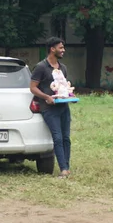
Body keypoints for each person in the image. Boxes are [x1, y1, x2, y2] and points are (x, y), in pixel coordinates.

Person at [30, 37, 72, 179]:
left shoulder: (63, 68)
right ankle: (63, 169)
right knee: (58, 138)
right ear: (52, 49)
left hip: (64, 107)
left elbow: (63, 88)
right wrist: (47, 97)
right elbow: (33, 88)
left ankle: (66, 167)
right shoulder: (41, 67)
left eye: (63, 47)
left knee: (66, 138)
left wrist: (69, 95)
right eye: (60, 48)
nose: (63, 50)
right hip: (49, 109)